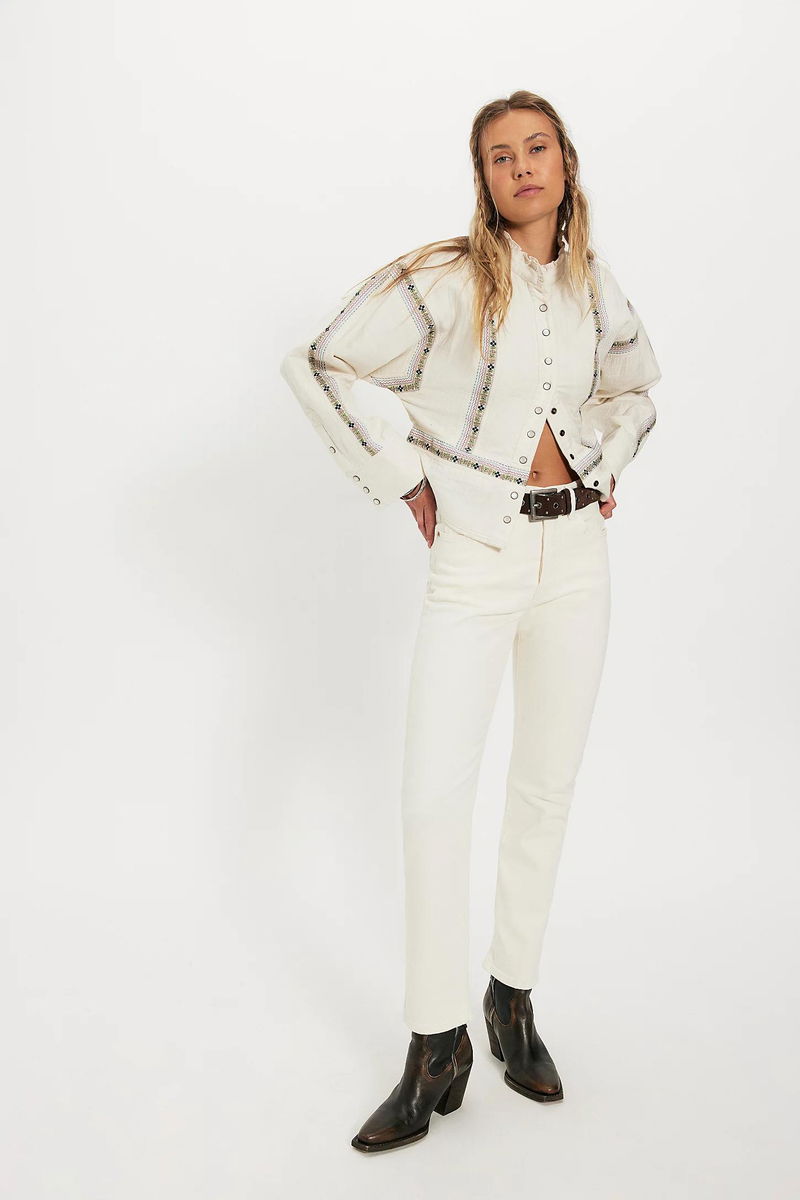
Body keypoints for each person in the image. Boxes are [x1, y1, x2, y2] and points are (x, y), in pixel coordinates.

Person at [279, 90, 662, 1154]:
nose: (521, 166)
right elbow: (319, 361)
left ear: (565, 162)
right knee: (432, 800)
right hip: (474, 559)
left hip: (576, 560)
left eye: (537, 148)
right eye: (500, 156)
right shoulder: (445, 279)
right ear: (483, 178)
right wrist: (404, 477)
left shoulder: (593, 287)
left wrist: (602, 461)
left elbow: (637, 389)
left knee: (545, 787)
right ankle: (434, 1040)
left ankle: (511, 998)